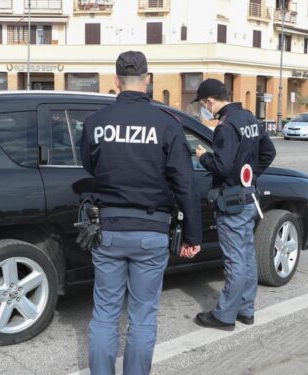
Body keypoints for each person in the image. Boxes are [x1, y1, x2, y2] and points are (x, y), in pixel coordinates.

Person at [80, 51, 203, 375]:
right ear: (148, 80)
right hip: (151, 231)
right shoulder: (166, 123)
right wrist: (192, 235)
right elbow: (185, 183)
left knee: (105, 314)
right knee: (143, 316)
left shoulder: (95, 123)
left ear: (116, 81)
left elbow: (89, 166)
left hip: (108, 230)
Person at [193, 78, 276, 330]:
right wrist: (248, 176)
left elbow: (222, 166)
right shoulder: (250, 118)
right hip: (249, 197)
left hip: (231, 201)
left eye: (203, 104)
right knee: (247, 256)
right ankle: (245, 310)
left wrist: (203, 156)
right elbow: (268, 153)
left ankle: (224, 316)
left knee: (235, 260)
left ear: (209, 101)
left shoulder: (226, 125)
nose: (204, 108)